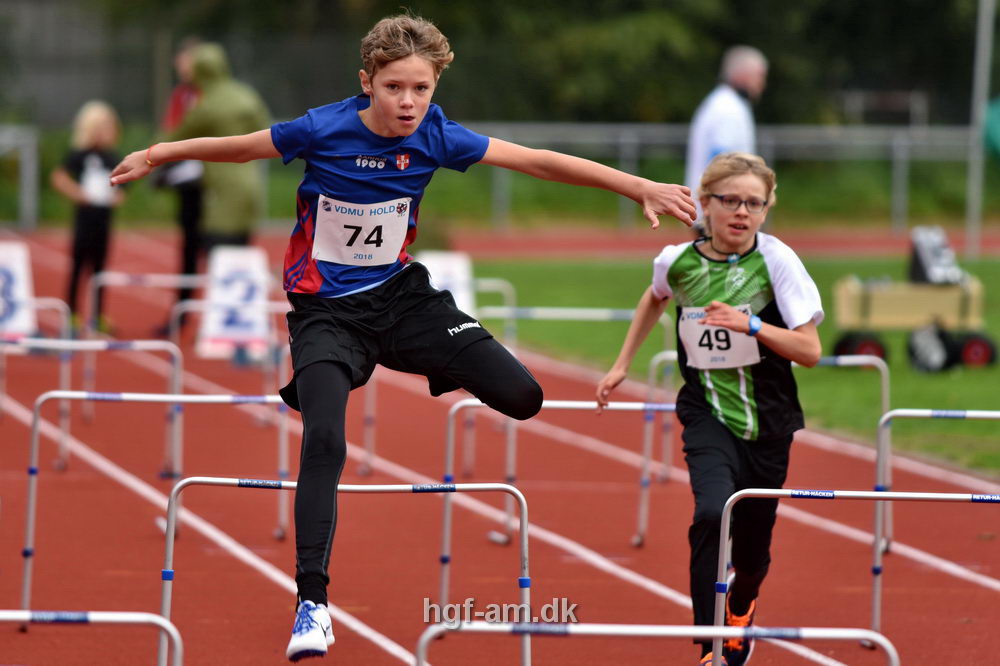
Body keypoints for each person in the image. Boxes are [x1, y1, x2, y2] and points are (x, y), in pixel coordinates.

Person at [111, 14, 696, 662]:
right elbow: (243, 146)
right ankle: (313, 604)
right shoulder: (323, 128)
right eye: (394, 87)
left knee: (523, 397)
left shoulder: (437, 135)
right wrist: (159, 153)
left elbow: (536, 161)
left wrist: (637, 183)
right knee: (326, 437)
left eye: (421, 88)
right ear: (368, 83)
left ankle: (414, 356)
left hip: (403, 301)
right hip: (326, 314)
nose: (409, 102)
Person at [596, 153, 822, 666]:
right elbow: (654, 298)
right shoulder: (677, 261)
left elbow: (810, 352)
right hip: (706, 411)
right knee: (710, 513)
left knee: (752, 553)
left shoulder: (777, 261)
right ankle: (711, 645)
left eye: (754, 204)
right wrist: (621, 364)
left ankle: (742, 607)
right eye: (731, 201)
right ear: (706, 204)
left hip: (769, 419)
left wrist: (754, 327)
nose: (742, 213)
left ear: (767, 209)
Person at [164, 42, 270, 252]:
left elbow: (175, 138)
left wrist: (152, 156)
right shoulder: (246, 95)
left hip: (220, 192)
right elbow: (265, 126)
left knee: (218, 251)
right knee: (241, 250)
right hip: (250, 182)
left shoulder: (208, 104)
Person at [51, 100, 126, 333]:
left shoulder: (113, 156)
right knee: (78, 267)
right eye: (100, 127)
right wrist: (78, 194)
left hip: (104, 220)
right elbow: (59, 177)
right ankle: (72, 312)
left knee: (100, 270)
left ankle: (97, 315)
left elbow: (124, 185)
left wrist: (117, 196)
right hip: (84, 219)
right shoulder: (79, 155)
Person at [685, 46, 768, 224]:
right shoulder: (727, 108)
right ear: (741, 74)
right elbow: (721, 160)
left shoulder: (724, 102)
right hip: (722, 211)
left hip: (720, 206)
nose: (762, 83)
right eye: (760, 75)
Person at [155, 37, 204, 320]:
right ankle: (183, 311)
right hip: (188, 179)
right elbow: (172, 129)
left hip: (214, 179)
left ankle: (217, 315)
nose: (180, 66)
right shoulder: (181, 95)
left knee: (216, 244)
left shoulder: (209, 95)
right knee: (188, 243)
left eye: (184, 60)